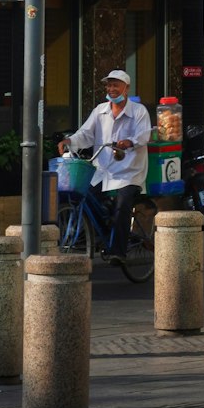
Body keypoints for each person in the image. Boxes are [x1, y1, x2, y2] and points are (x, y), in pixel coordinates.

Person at [58, 69, 151, 263]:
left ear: (126, 88)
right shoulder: (99, 111)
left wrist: (129, 142)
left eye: (115, 85)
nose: (111, 88)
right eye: (109, 85)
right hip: (101, 171)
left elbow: (143, 136)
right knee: (82, 193)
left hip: (129, 172)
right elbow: (85, 134)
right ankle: (98, 233)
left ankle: (118, 251)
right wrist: (69, 141)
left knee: (123, 204)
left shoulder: (138, 111)